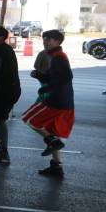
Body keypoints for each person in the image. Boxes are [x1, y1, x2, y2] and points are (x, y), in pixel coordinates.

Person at [22, 30, 75, 179]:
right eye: (44, 39)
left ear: (57, 41)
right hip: (63, 101)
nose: (45, 41)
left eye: (49, 39)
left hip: (56, 101)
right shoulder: (56, 56)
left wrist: (48, 87)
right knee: (53, 132)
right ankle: (57, 167)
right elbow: (56, 77)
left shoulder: (59, 58)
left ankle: (52, 142)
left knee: (29, 119)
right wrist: (41, 76)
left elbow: (66, 77)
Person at [0, 26, 21, 163]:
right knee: (0, 120)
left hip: (2, 91)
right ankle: (3, 151)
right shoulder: (7, 49)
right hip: (11, 90)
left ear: (1, 38)